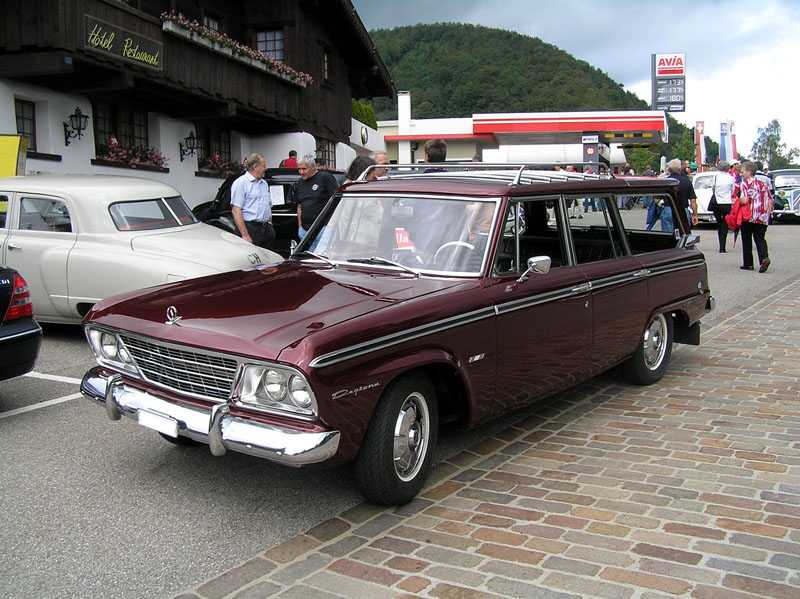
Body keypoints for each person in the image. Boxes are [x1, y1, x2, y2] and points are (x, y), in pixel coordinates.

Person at [230, 154, 274, 248]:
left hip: (265, 228)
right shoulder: (241, 183)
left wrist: (269, 224)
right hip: (250, 228)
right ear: (255, 167)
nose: (265, 169)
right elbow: (236, 210)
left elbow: (267, 204)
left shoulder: (264, 183)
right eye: (264, 166)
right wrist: (245, 235)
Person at [738, 161, 772, 272]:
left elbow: (744, 200)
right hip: (762, 215)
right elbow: (770, 199)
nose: (741, 174)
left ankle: (748, 263)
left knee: (746, 238)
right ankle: (764, 258)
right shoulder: (763, 183)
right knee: (760, 239)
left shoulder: (744, 184)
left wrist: (738, 202)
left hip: (749, 215)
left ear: (749, 172)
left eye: (742, 172)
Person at [296, 154, 339, 240]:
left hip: (323, 230)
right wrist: (300, 226)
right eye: (299, 169)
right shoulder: (300, 182)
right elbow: (299, 206)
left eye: (304, 169)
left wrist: (330, 225)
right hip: (305, 231)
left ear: (313, 167)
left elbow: (337, 202)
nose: (301, 172)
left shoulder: (325, 178)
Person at [663, 158, 699, 231]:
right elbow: (693, 200)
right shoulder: (686, 181)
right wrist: (695, 214)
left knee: (668, 235)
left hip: (668, 209)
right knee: (684, 233)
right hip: (682, 209)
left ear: (669, 170)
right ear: (680, 169)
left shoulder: (665, 182)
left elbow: (656, 200)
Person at [710, 161, 736, 253]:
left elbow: (712, 187)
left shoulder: (715, 176)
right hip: (726, 202)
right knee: (725, 224)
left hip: (717, 202)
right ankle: (723, 247)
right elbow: (732, 190)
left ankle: (720, 242)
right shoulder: (731, 178)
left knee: (719, 223)